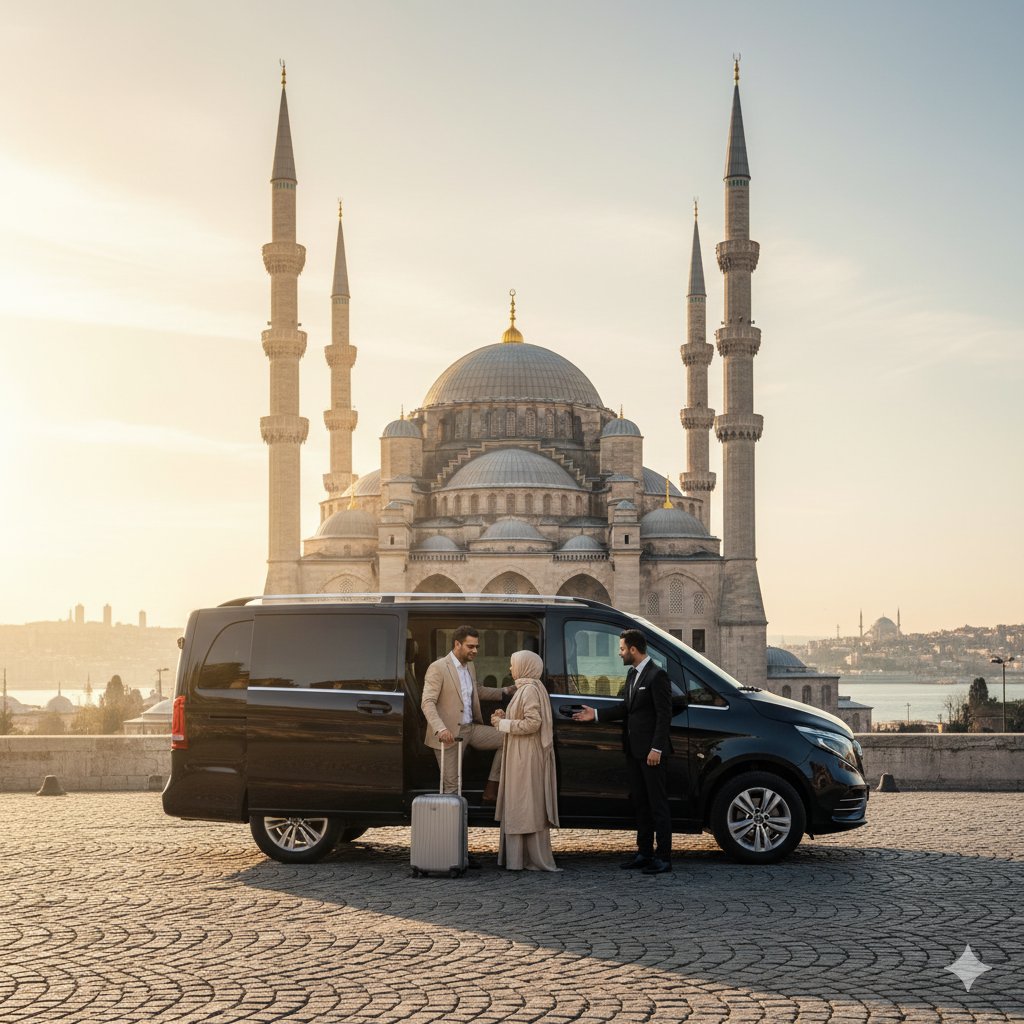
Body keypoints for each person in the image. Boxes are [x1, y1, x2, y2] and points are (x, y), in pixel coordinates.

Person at [574, 629, 674, 874]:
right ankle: (644, 853)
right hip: (634, 751)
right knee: (640, 803)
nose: (619, 653)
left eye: (621, 649)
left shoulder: (657, 675)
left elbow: (664, 715)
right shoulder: (632, 675)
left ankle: (663, 858)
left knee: (657, 804)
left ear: (633, 649)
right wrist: (595, 715)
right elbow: (625, 709)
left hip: (652, 753)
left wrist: (656, 748)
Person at [421, 625, 516, 802]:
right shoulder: (438, 668)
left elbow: (476, 691)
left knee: (509, 738)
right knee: (452, 787)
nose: (475, 651)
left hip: (471, 729)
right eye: (470, 646)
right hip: (448, 734)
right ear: (457, 644)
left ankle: (491, 788)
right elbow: (427, 702)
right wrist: (440, 729)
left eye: (476, 647)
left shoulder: (470, 667)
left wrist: (505, 691)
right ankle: (450, 826)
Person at [490, 650, 561, 872]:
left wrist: (502, 724)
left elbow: (532, 723)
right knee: (522, 802)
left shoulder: (529, 690)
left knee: (522, 803)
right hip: (522, 753)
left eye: (513, 664)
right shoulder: (527, 688)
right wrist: (504, 717)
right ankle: (519, 857)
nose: (510, 669)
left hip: (525, 756)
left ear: (525, 666)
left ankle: (521, 859)